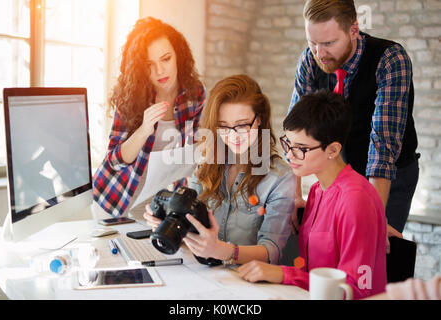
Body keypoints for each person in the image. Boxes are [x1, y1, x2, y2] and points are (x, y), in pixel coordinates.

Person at [289, 0, 419, 246]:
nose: (320, 53)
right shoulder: (310, 60)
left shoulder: (390, 59)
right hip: (340, 173)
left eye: (329, 43)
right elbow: (297, 132)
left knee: (371, 248)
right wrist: (294, 195)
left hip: (391, 175)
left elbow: (383, 147)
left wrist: (374, 219)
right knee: (334, 249)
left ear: (354, 30)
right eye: (312, 42)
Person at [238, 90, 387, 300]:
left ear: (333, 150)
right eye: (288, 144)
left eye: (301, 148)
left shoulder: (356, 199)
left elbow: (356, 287)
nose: (289, 155)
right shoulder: (317, 191)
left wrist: (283, 274)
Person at [144, 74, 295, 265]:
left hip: (250, 283)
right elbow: (194, 228)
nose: (233, 136)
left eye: (242, 125)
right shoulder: (207, 165)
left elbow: (272, 252)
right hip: (208, 275)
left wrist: (223, 251)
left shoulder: (280, 179)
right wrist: (170, 225)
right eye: (223, 127)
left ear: (260, 119)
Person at [92, 17, 206, 218]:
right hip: (116, 200)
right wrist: (144, 129)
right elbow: (115, 161)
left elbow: (191, 153)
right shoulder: (131, 95)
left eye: (166, 58)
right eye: (149, 64)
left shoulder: (195, 94)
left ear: (178, 55)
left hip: (158, 205)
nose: (159, 70)